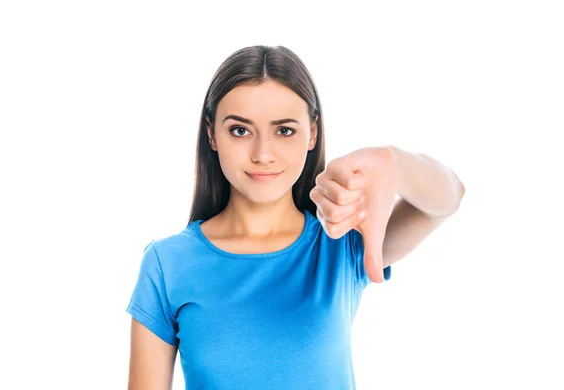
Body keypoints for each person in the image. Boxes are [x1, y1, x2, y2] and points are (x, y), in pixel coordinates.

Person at [125, 45, 465, 389]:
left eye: (284, 130)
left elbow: (449, 197)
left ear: (312, 133)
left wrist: (396, 163)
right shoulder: (167, 264)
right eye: (240, 130)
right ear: (212, 133)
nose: (263, 154)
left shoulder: (340, 241)